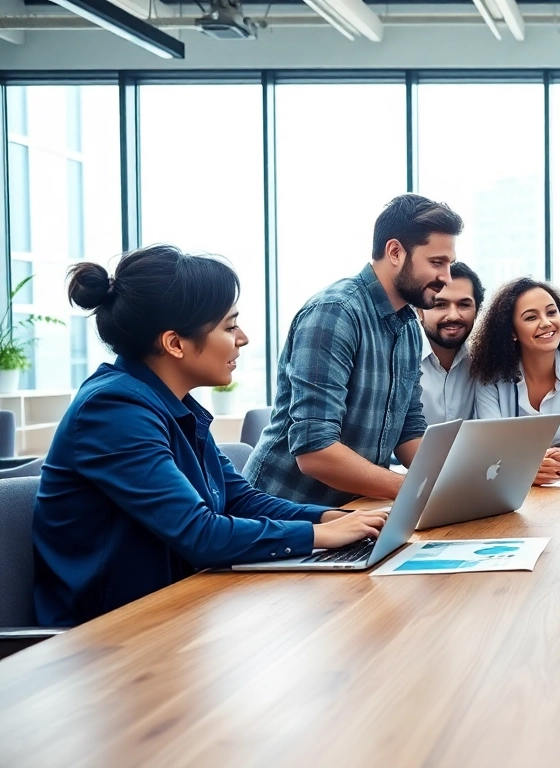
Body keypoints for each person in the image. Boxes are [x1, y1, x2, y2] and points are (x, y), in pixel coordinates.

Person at [32, 246, 388, 626]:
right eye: (229, 326)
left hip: (176, 610)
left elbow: (240, 499)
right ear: (174, 343)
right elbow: (200, 532)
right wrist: (318, 536)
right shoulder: (114, 410)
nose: (243, 338)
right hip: (108, 635)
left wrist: (332, 518)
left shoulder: (169, 405)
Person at [245, 194, 461, 507]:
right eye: (437, 262)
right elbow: (314, 451)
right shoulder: (334, 314)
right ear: (395, 252)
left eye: (449, 264)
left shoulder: (409, 328)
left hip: (354, 514)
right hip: (282, 517)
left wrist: (461, 480)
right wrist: (413, 488)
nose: (447, 278)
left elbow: (408, 432)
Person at [472, 278, 560, 485]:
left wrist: (549, 464)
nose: (546, 322)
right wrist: (527, 467)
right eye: (531, 317)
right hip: (509, 483)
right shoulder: (489, 375)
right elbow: (493, 446)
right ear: (512, 332)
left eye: (551, 312)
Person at [420, 261, 484, 424]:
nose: (453, 315)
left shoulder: (483, 364)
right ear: (420, 311)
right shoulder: (399, 363)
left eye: (464, 305)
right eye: (440, 305)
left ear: (477, 310)